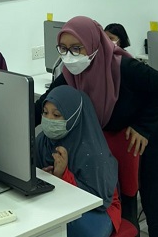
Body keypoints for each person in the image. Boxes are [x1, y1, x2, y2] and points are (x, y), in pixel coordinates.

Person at [35, 16, 158, 237]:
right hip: (117, 144)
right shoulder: (71, 73)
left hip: (152, 139)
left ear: (94, 44)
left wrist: (143, 127)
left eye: (76, 48)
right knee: (128, 211)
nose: (69, 55)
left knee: (157, 213)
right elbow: (44, 103)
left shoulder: (124, 67)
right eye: (63, 49)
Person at [37, 85, 121, 237]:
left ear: (74, 116)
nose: (49, 119)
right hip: (59, 201)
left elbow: (100, 200)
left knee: (56, 226)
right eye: (45, 112)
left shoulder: (94, 154)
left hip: (100, 211)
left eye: (57, 115)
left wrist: (63, 175)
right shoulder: (43, 141)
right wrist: (42, 177)